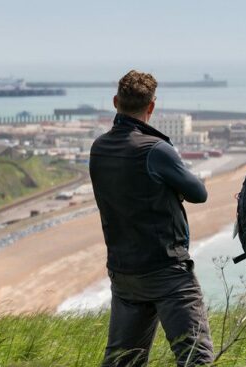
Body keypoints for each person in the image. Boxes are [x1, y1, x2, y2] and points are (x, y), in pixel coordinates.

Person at [89, 70, 214, 367]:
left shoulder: (99, 148)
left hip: (123, 269)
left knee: (123, 360)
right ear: (152, 106)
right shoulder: (155, 149)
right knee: (196, 357)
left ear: (116, 101)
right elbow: (199, 193)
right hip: (165, 268)